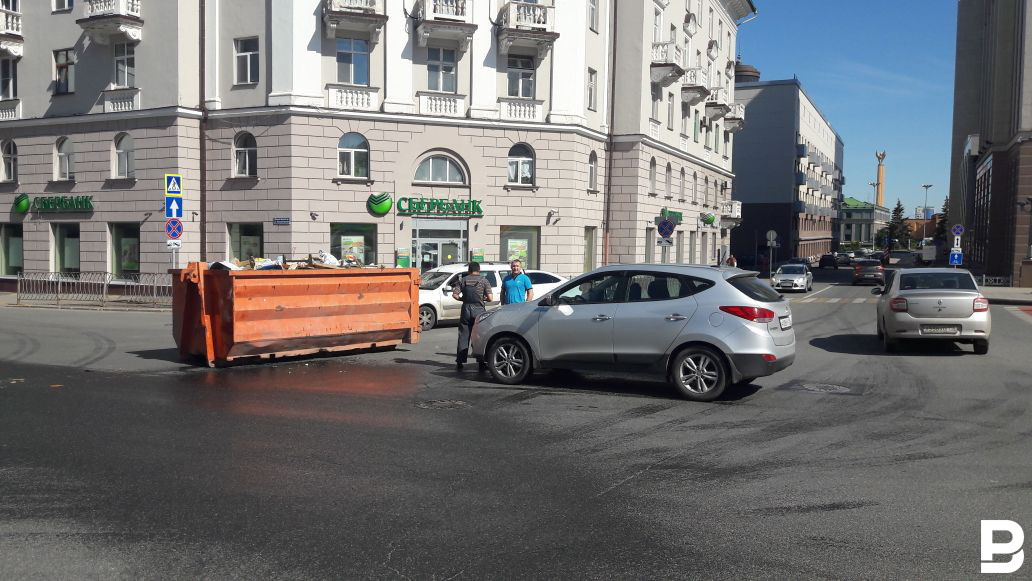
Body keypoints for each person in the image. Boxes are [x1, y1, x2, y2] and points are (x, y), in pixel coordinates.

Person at [451, 262, 493, 370]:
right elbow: (490, 298)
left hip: (465, 310)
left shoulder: (463, 280)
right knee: (478, 336)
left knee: (463, 335)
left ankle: (460, 361)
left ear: (469, 270)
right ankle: (481, 362)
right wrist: (484, 299)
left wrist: (462, 299)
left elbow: (454, 295)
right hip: (478, 310)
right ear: (479, 270)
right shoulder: (484, 280)